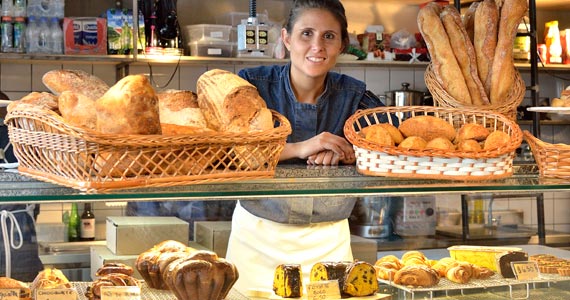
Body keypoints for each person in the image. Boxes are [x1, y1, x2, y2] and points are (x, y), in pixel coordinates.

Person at [225, 0, 385, 294]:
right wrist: (302, 148)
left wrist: (350, 153)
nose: (317, 47)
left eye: (329, 36)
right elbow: (230, 152)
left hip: (329, 242)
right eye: (306, 34)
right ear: (286, 39)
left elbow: (389, 145)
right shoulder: (251, 86)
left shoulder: (356, 96)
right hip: (257, 240)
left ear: (342, 45)